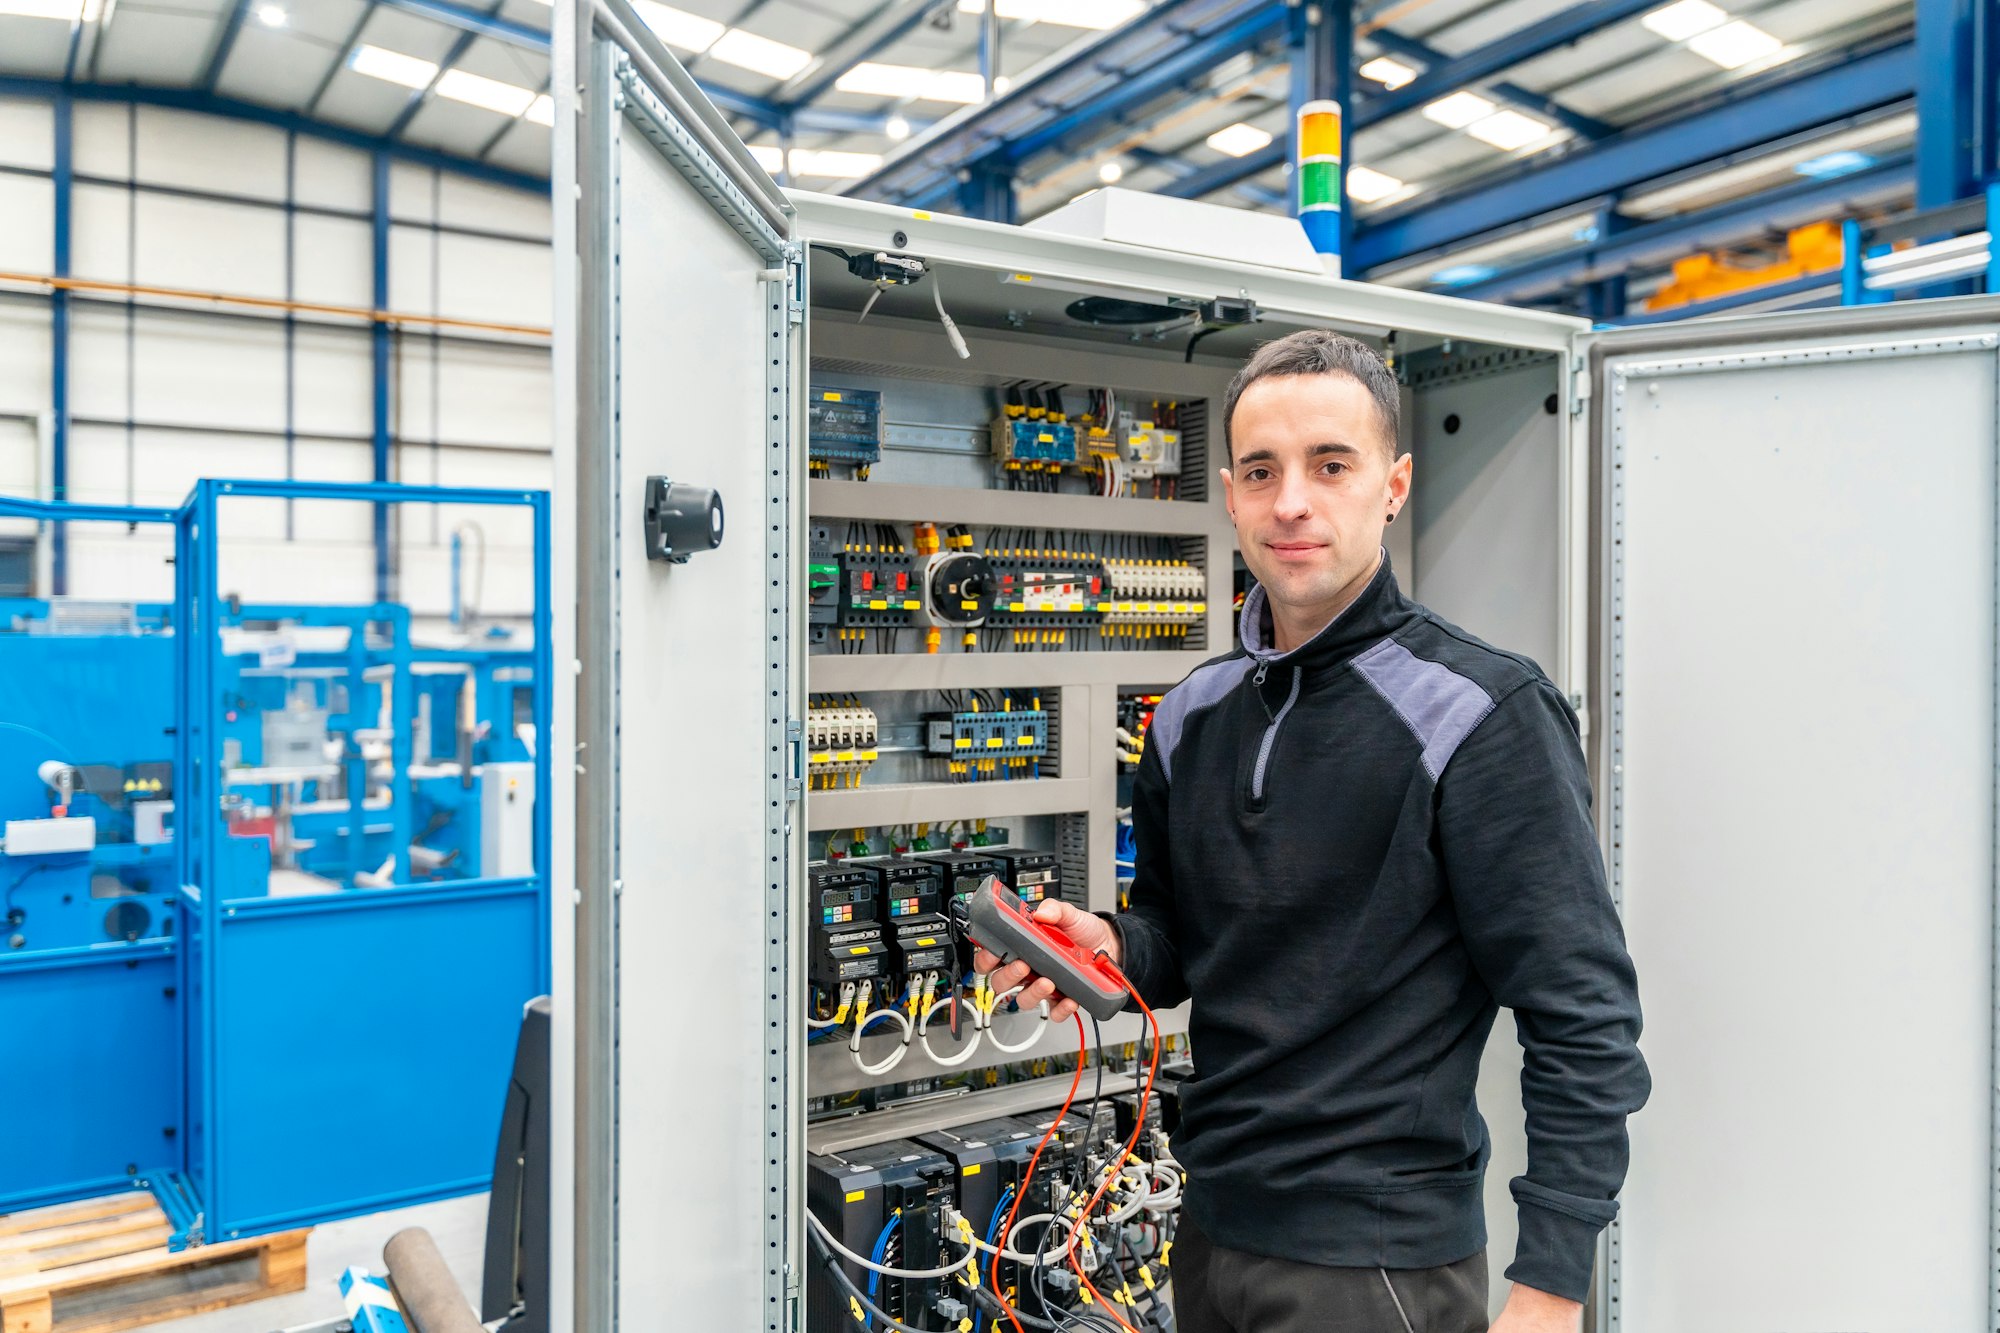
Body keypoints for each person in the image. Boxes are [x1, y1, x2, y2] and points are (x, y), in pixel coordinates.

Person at [977, 329, 1649, 1333]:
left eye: (1329, 465)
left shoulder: (1479, 710)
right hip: (1209, 1232)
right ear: (1229, 493)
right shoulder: (1192, 714)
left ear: (1392, 482)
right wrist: (1110, 946)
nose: (1290, 500)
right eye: (1261, 470)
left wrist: (1549, 1289)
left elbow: (1582, 1018)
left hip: (1377, 1265)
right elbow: (1184, 943)